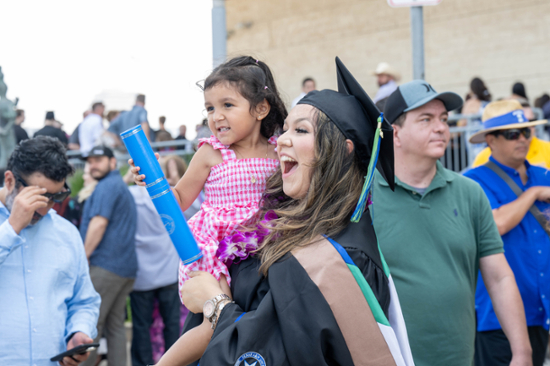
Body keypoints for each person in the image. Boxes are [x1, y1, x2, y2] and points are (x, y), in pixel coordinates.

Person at [172, 57, 414, 366]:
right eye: (285, 129)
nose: (282, 140)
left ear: (341, 149)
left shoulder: (340, 258)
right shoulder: (288, 232)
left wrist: (215, 304)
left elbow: (269, 354)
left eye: (300, 131)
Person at [130, 56, 287, 365]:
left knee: (259, 321)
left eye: (228, 105)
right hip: (215, 250)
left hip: (264, 249)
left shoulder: (279, 150)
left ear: (260, 109)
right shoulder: (210, 152)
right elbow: (179, 201)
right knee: (215, 321)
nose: (217, 116)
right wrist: (151, 182)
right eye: (210, 108)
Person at [372, 80, 532, 366]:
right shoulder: (365, 198)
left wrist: (522, 352)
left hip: (458, 358)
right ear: (395, 133)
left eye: (444, 119)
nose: (441, 127)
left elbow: (499, 277)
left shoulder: (469, 193)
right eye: (426, 119)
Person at [0, 136, 100, 366]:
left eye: (55, 197)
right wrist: (12, 228)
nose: (45, 208)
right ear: (9, 180)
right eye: (39, 196)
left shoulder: (66, 233)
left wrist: (78, 332)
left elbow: (84, 301)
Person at [464, 99, 550, 366]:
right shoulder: (473, 181)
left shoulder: (543, 174)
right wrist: (533, 194)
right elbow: (497, 224)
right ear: (491, 139)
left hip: (542, 308)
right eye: (513, 134)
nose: (522, 139)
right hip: (498, 316)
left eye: (526, 132)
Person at [129, 155, 201, 366]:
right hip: (168, 270)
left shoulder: (133, 196)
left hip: (145, 273)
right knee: (171, 323)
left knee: (142, 325)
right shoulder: (177, 200)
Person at [80, 145, 137, 366]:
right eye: (90, 161)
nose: (93, 165)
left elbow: (99, 223)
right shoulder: (118, 186)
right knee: (115, 328)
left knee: (90, 325)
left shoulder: (106, 186)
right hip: (124, 269)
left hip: (105, 267)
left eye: (99, 160)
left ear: (113, 162)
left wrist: (83, 257)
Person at [472, 101, 550, 169]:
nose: (522, 139)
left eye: (525, 130)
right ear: (492, 141)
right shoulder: (482, 159)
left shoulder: (546, 151)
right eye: (513, 134)